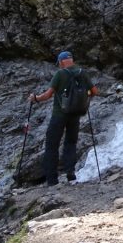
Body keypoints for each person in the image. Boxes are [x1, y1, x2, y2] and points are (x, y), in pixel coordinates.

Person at [30, 51, 98, 186]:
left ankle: (52, 179)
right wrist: (84, 96)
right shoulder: (82, 73)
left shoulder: (60, 74)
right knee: (71, 143)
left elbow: (48, 95)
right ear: (72, 60)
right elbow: (94, 91)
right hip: (76, 114)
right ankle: (70, 173)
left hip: (59, 115)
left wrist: (35, 99)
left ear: (61, 62)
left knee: (52, 145)